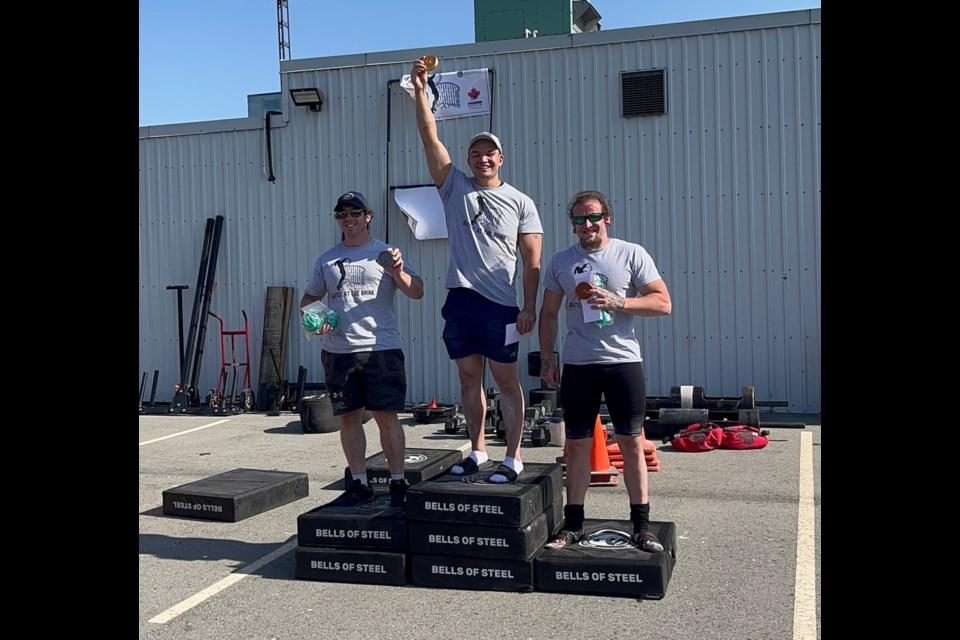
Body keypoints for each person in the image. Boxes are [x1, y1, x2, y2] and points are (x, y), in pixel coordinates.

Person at [410, 57, 543, 483]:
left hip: (501, 305)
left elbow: (532, 261)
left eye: (489, 153)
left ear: (501, 158)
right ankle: (479, 451)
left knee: (506, 382)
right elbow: (429, 136)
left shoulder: (521, 202)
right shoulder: (453, 186)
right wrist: (419, 89)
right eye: (475, 153)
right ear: (467, 160)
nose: (482, 159)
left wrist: (528, 308)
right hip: (461, 300)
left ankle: (513, 456)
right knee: (469, 381)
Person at [537, 190, 672, 551]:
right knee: (577, 446)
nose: (587, 225)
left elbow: (662, 303)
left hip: (623, 363)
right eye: (579, 219)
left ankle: (641, 525)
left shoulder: (630, 253)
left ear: (607, 218)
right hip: (579, 365)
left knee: (631, 443)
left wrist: (619, 301)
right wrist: (547, 358)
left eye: (593, 217)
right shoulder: (561, 261)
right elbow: (548, 313)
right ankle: (574, 524)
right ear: (573, 224)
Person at [300, 191, 425, 508]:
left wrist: (398, 272)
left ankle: (398, 483)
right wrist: (317, 320)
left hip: (380, 349)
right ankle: (359, 483)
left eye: (354, 212)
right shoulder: (326, 259)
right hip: (338, 352)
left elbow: (417, 291)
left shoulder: (385, 253)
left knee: (387, 417)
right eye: (342, 214)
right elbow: (307, 302)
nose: (348, 219)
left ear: (368, 216)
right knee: (349, 418)